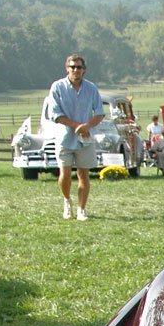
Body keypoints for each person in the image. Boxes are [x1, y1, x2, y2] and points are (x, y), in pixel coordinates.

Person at [48, 54, 104, 221]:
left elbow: (99, 113)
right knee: (64, 174)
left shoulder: (91, 88)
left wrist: (86, 126)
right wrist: (76, 126)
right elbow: (55, 115)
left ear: (84, 70)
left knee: (83, 175)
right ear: (67, 68)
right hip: (65, 138)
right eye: (72, 67)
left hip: (85, 139)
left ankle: (81, 209)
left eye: (79, 67)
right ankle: (67, 201)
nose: (75, 70)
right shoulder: (57, 87)